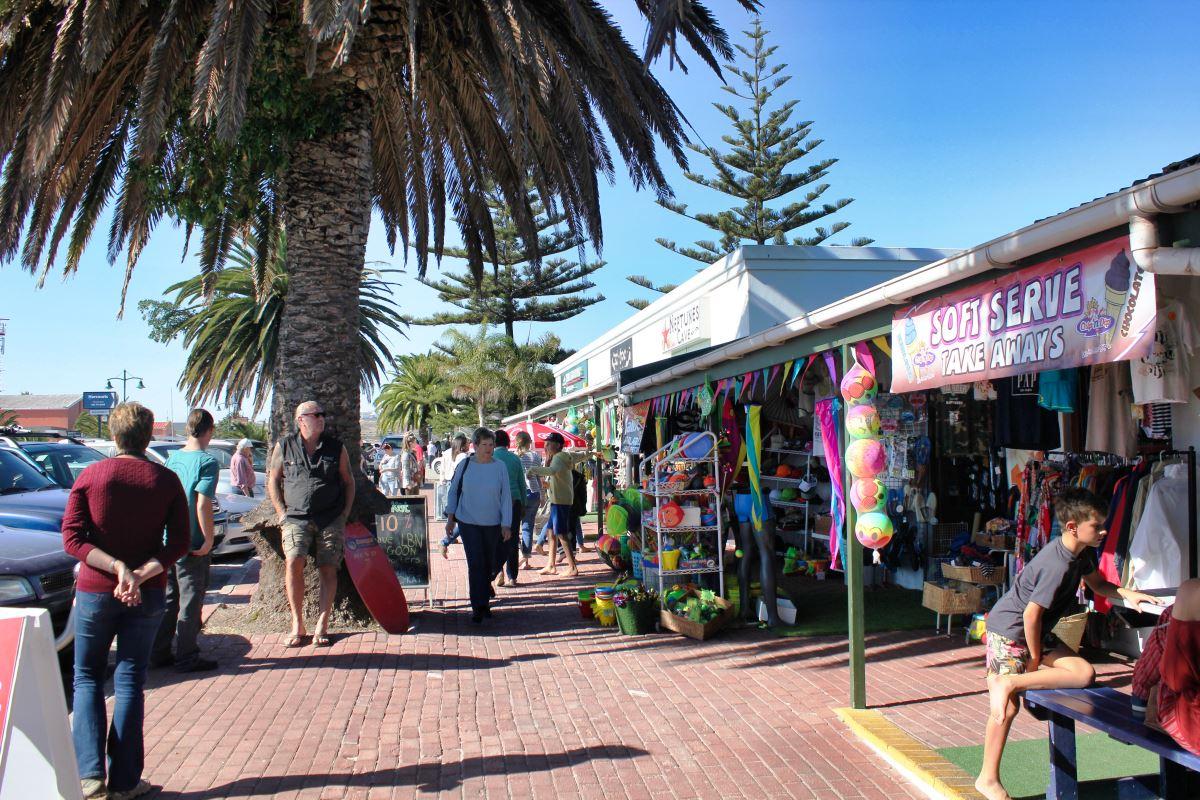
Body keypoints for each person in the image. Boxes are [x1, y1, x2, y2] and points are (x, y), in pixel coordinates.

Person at [975, 488, 1164, 800]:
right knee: (1006, 709)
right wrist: (1034, 658)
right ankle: (987, 778)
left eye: (1104, 525)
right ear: (1073, 527)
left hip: (1038, 631)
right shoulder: (1057, 564)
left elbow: (1098, 585)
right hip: (1010, 631)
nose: (1104, 531)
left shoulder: (1081, 553)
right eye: (1097, 526)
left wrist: (1127, 593)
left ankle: (1009, 681)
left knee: (1083, 673)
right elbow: (1031, 615)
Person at [61, 402, 190, 800]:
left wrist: (116, 567)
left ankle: (89, 777)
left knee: (87, 677)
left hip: (96, 592)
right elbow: (179, 543)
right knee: (131, 679)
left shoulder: (91, 475)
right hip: (147, 592)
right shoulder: (165, 481)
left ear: (115, 436)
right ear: (148, 436)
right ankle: (125, 781)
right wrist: (138, 574)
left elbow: (72, 538)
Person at [267, 401, 355, 648]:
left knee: (328, 567)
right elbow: (273, 480)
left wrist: (344, 514)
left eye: (322, 414)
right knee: (293, 562)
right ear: (300, 420)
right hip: (295, 518)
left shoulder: (336, 447)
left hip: (330, 518)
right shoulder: (285, 446)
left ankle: (322, 625)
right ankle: (297, 623)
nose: (321, 418)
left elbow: (348, 481)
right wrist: (281, 512)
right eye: (316, 414)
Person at [151, 409, 220, 673]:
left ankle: (158, 652)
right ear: (209, 430)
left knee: (170, 598)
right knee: (190, 600)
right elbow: (202, 504)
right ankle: (187, 655)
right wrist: (208, 539)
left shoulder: (173, 459)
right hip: (192, 543)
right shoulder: (207, 461)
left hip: (169, 540)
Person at [443, 427, 512, 623]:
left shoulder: (500, 467)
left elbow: (506, 496)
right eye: (484, 444)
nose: (488, 448)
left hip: (492, 523)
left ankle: (484, 601)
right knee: (475, 563)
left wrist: (506, 523)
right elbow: (453, 491)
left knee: (488, 563)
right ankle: (478, 606)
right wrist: (450, 518)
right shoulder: (465, 465)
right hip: (468, 522)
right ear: (474, 446)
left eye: (491, 444)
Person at [1138, 579, 1200, 756]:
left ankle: (1140, 695)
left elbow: (1176, 678)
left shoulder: (1192, 592)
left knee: (1169, 616)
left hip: (1191, 725)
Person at [526, 432, 591, 577]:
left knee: (561, 533)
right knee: (550, 531)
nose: (546, 446)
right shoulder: (565, 456)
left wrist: (533, 470)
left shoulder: (558, 458)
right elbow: (579, 458)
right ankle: (551, 565)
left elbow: (552, 471)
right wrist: (549, 485)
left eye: (548, 443)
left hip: (560, 502)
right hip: (561, 500)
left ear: (557, 445)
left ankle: (572, 567)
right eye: (546, 443)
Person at [490, 429, 526, 587]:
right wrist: (523, 503)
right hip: (514, 501)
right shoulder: (515, 458)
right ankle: (512, 576)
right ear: (508, 443)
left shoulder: (491, 457)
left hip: (495, 502)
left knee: (496, 539)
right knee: (512, 538)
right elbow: (521, 483)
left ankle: (498, 572)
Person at [514, 431, 542, 570]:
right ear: (529, 442)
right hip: (534, 493)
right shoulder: (535, 456)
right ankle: (525, 558)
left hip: (520, 494)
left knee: (514, 527)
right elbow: (538, 477)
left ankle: (522, 554)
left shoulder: (515, 457)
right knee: (528, 527)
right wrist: (542, 494)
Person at [437, 434, 470, 536]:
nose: (469, 445)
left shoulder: (449, 453)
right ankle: (449, 537)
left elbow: (442, 468)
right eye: (467, 443)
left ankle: (449, 534)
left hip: (449, 481)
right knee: (457, 512)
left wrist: (441, 479)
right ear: (462, 445)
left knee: (452, 509)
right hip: (458, 484)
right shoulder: (464, 457)